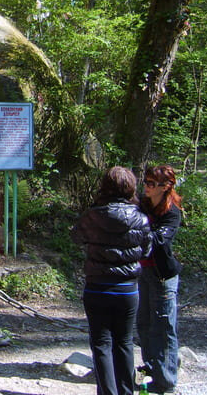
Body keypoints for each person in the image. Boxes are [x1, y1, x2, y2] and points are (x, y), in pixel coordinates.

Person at [71, 166, 152, 395]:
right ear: (130, 187)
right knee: (124, 342)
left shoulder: (93, 215)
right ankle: (127, 391)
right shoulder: (141, 218)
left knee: (101, 344)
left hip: (97, 287)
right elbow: (146, 251)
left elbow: (76, 237)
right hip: (127, 289)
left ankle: (107, 392)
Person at [137, 165, 183, 395]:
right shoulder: (142, 205)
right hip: (142, 274)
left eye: (152, 183)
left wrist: (137, 230)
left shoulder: (172, 212)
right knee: (144, 323)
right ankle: (150, 369)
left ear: (165, 187)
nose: (146, 186)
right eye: (146, 181)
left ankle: (166, 380)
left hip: (163, 277)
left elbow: (159, 241)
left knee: (164, 327)